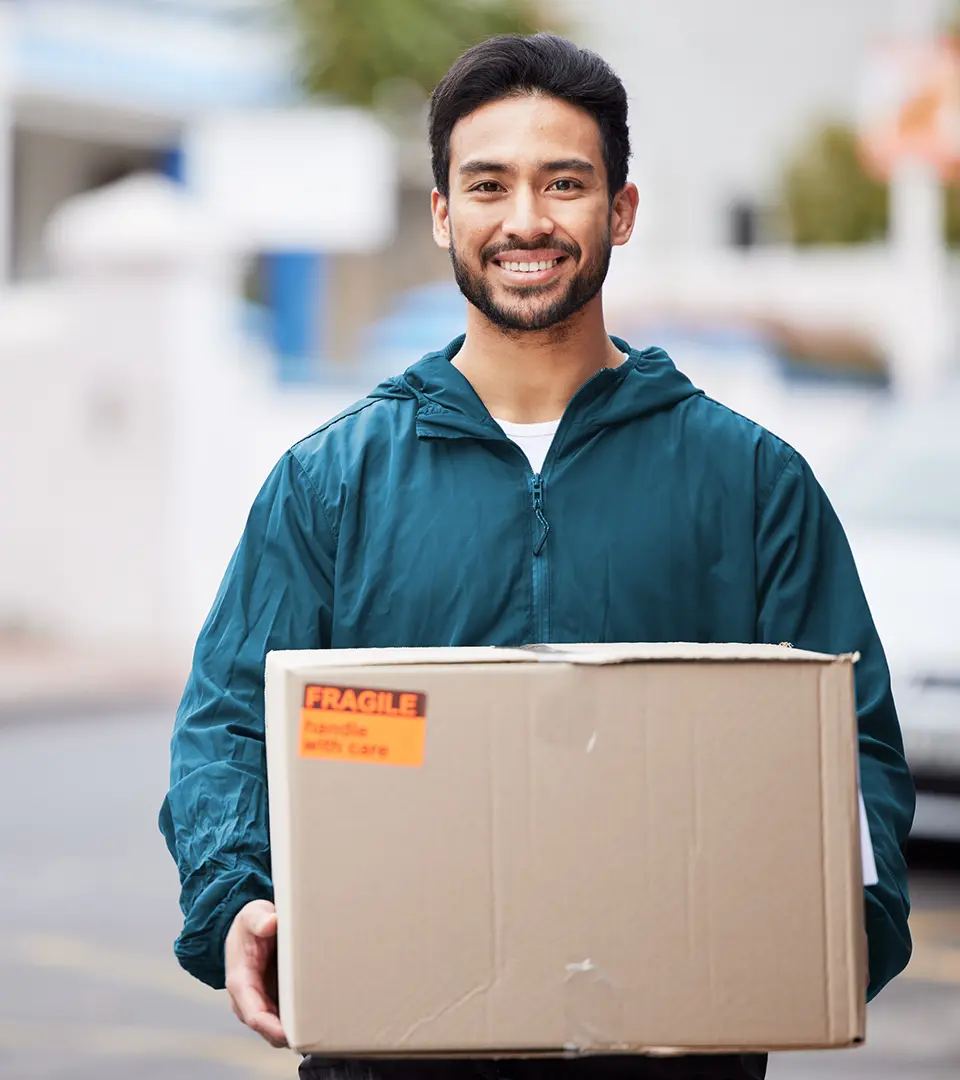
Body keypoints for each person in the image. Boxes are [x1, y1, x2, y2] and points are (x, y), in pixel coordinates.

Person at [159, 33, 914, 1080]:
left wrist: (838, 930)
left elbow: (852, 755)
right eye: (488, 185)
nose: (526, 220)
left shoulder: (753, 485)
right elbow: (230, 728)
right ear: (440, 213)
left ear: (623, 210)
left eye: (565, 183)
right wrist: (235, 894)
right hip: (393, 1058)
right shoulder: (330, 484)